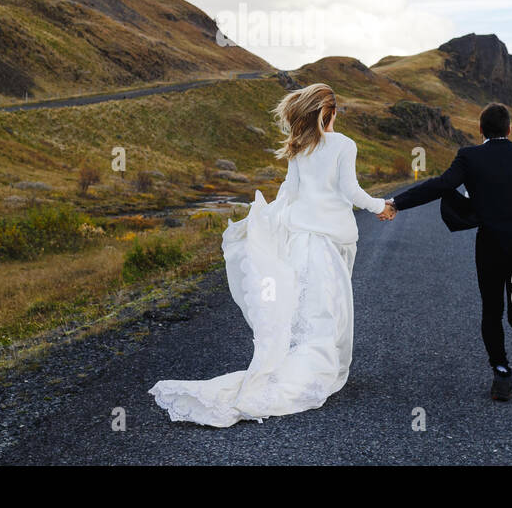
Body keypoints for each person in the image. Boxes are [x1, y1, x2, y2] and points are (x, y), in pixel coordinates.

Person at [149, 83, 388, 426]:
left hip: (302, 242)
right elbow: (350, 191)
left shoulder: (300, 149)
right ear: (328, 113)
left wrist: (259, 223)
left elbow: (288, 193)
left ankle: (294, 368)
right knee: (327, 314)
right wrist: (383, 206)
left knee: (308, 314)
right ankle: (306, 376)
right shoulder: (343, 145)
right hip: (328, 243)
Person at [382, 103, 512, 401]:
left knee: (492, 311)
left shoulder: (470, 156)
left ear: (480, 130)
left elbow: (440, 185)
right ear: (509, 130)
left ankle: (502, 372)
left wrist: (396, 203)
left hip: (491, 243)